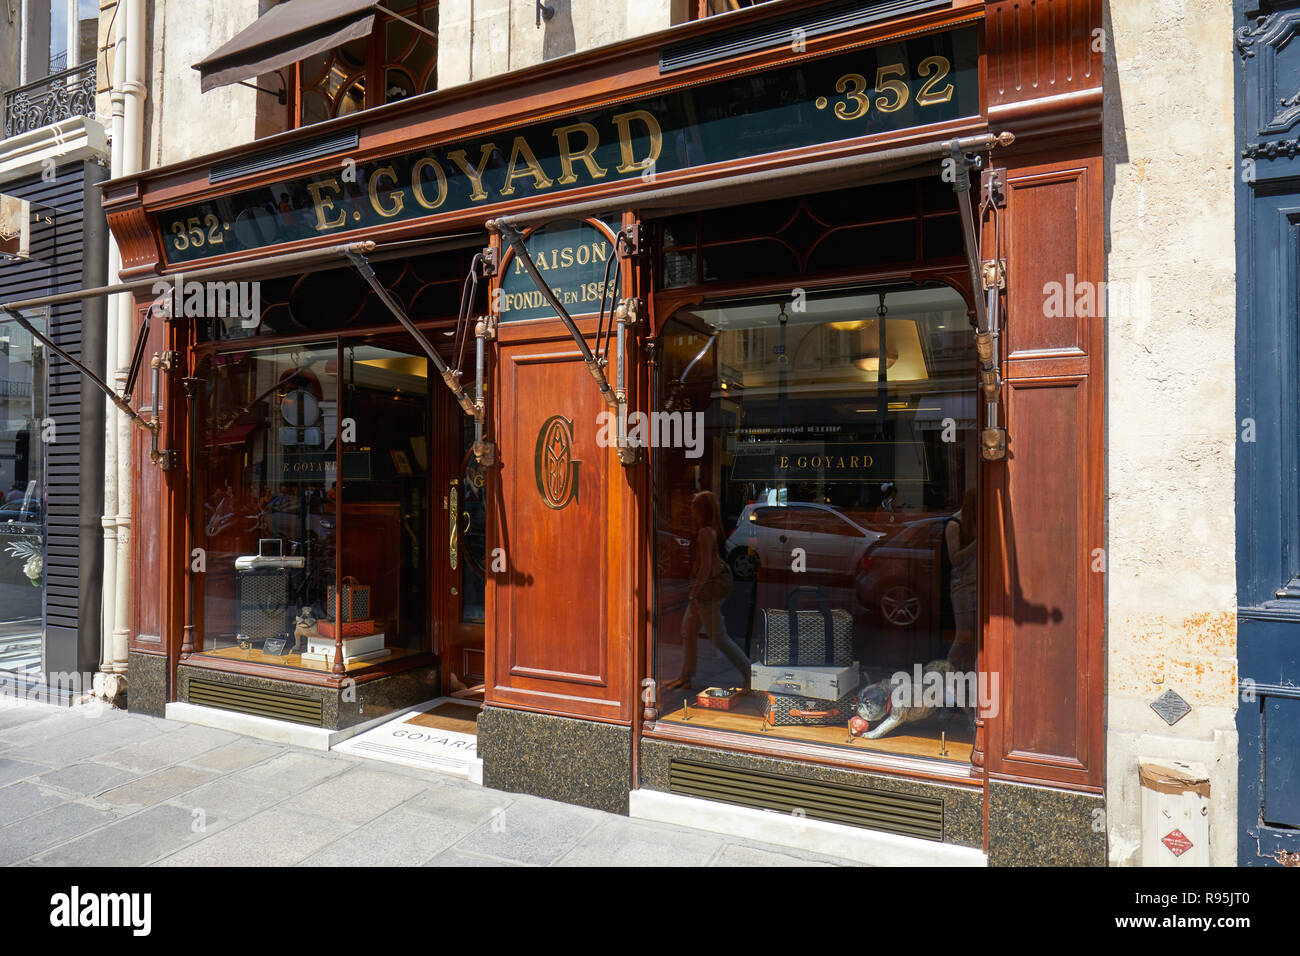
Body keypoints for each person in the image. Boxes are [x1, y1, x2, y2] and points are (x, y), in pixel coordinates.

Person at [665, 490, 751, 690]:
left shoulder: (705, 532)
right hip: (705, 592)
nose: (690, 508)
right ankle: (686, 676)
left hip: (706, 594)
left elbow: (704, 568)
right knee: (688, 631)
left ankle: (749, 674)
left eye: (694, 504)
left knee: (719, 638)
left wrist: (693, 594)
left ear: (701, 509)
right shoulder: (711, 530)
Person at [945, 488, 978, 671]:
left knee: (977, 637)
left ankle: (969, 675)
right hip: (963, 585)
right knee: (964, 635)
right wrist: (977, 543)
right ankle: (949, 674)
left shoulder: (978, 519)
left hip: (977, 582)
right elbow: (955, 558)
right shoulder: (955, 523)